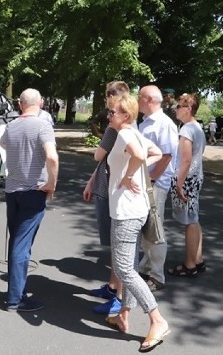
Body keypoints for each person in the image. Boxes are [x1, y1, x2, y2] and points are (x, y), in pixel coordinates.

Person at [103, 93, 170, 352]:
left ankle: (157, 319)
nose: (109, 115)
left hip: (126, 212)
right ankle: (124, 315)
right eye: (109, 111)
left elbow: (141, 153)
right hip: (135, 209)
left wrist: (130, 174)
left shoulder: (125, 134)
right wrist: (136, 171)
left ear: (126, 116)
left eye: (112, 112)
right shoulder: (135, 131)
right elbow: (155, 152)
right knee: (128, 264)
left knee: (124, 269)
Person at [0, 88, 59, 312]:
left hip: (12, 191)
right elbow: (52, 156)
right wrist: (52, 183)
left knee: (16, 240)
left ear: (19, 104)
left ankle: (17, 292)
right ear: (41, 103)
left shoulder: (11, 126)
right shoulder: (43, 125)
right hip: (34, 191)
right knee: (22, 245)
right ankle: (15, 299)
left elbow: (4, 144)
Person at [83, 82, 131, 316]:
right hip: (105, 186)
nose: (106, 104)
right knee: (113, 245)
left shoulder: (116, 129)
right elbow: (105, 160)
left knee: (116, 245)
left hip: (111, 191)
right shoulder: (121, 127)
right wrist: (92, 181)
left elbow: (98, 154)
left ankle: (118, 297)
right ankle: (113, 287)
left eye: (107, 98)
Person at [137, 85, 179, 293]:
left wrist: (152, 179)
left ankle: (157, 276)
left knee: (155, 230)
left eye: (140, 97)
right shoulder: (146, 123)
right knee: (146, 230)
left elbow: (167, 155)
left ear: (149, 100)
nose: (137, 101)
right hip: (146, 183)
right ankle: (145, 267)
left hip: (155, 185)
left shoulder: (164, 124)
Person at [169, 93, 207, 277]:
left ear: (188, 109)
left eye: (179, 107)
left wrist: (179, 184)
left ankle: (190, 264)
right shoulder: (197, 128)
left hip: (187, 179)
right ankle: (197, 259)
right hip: (196, 177)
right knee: (194, 218)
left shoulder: (186, 131)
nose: (176, 109)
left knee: (189, 222)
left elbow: (184, 161)